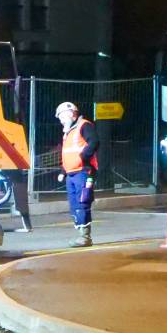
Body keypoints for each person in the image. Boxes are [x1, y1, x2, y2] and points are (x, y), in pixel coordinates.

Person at [56, 101, 100, 247]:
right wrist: (63, 171)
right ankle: (81, 235)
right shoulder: (68, 132)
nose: (61, 120)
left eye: (62, 117)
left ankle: (85, 237)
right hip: (71, 174)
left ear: (71, 114)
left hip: (83, 171)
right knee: (74, 204)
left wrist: (83, 157)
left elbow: (94, 142)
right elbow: (67, 154)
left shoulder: (84, 125)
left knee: (83, 202)